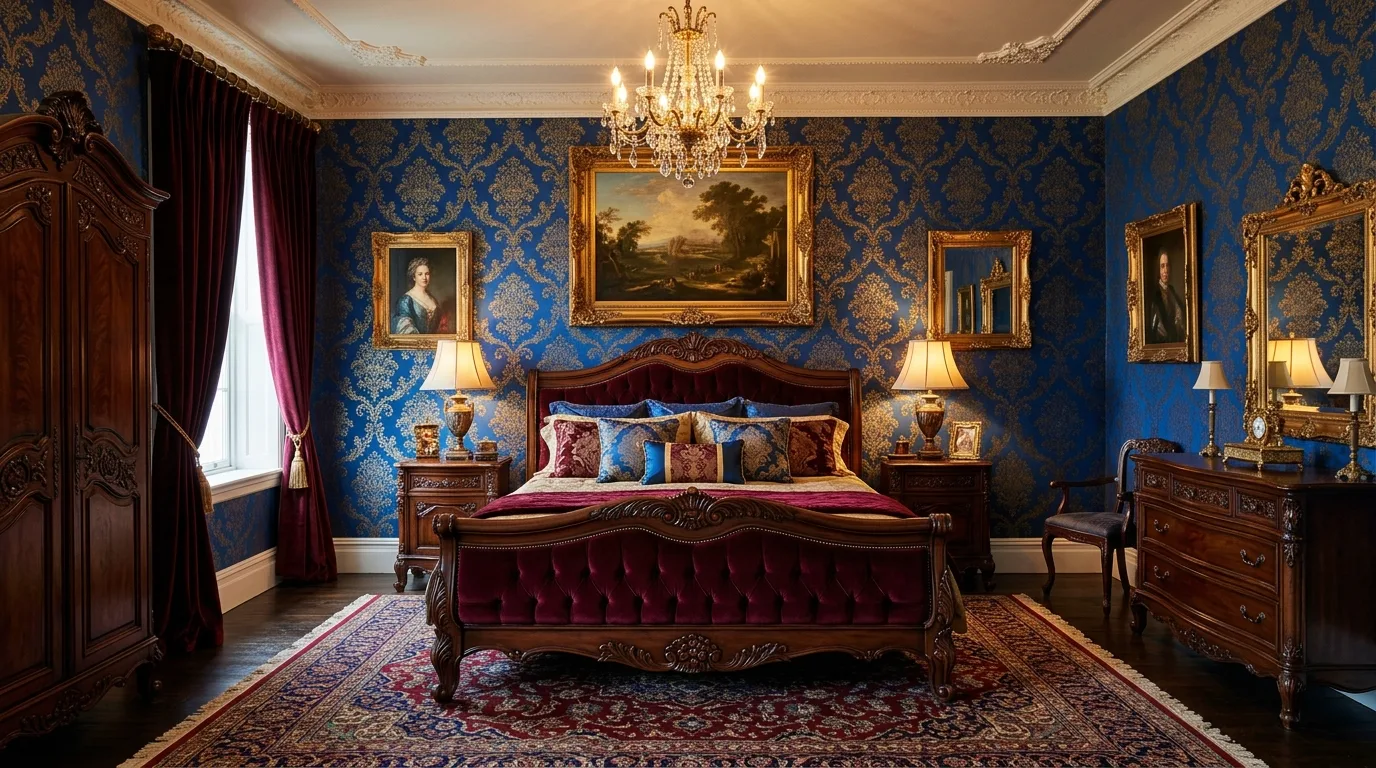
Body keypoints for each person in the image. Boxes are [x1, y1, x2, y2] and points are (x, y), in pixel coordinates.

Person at [392, 257, 451, 334]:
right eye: (420, 274)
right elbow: (404, 329)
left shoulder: (433, 299)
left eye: (427, 274)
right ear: (414, 277)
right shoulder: (406, 300)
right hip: (413, 344)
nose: (424, 277)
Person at [1146, 250, 1186, 344]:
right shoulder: (1155, 294)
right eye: (1162, 266)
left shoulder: (1172, 291)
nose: (1165, 270)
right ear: (1158, 269)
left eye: (1167, 265)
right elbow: (1156, 327)